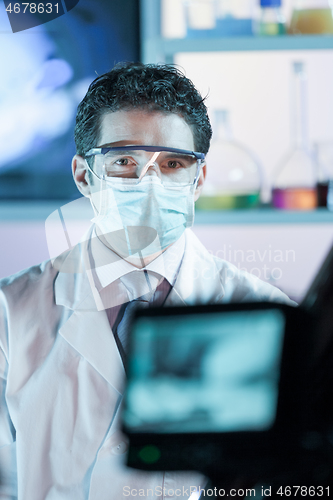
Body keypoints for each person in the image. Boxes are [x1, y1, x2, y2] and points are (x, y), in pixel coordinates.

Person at [0, 62, 294, 499]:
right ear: (85, 175)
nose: (149, 182)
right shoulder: (9, 312)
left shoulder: (264, 314)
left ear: (198, 180)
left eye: (173, 163)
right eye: (123, 161)